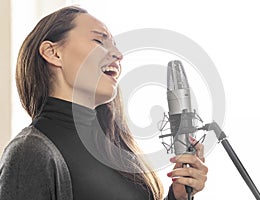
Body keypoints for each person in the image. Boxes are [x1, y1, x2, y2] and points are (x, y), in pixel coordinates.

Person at [0, 6, 208, 200]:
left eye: (115, 46)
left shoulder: (115, 152)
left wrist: (177, 195)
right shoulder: (29, 152)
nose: (118, 55)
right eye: (99, 42)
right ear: (53, 53)